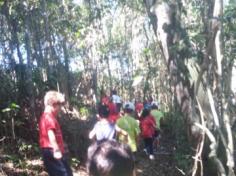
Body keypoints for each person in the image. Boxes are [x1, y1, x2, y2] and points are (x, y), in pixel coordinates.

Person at [39, 90, 73, 176]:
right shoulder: (48, 117)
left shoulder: (48, 117)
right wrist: (56, 149)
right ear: (53, 105)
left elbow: (55, 134)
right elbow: (50, 133)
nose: (60, 109)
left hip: (52, 150)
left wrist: (62, 146)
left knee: (67, 172)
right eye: (59, 106)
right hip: (51, 150)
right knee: (63, 174)